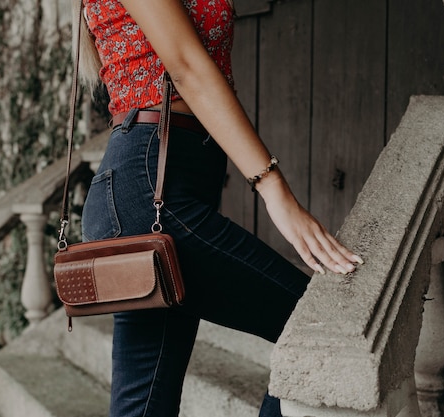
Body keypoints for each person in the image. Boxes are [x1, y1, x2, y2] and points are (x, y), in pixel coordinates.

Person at [75, 0, 364, 416]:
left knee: (143, 406)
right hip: (150, 192)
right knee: (319, 332)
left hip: (155, 189)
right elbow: (187, 68)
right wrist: (274, 190)